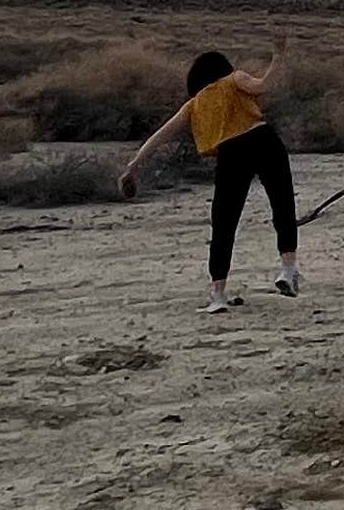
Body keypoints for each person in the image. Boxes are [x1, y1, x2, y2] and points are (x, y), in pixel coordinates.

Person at [122, 48, 297, 313]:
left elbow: (160, 136)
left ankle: (218, 294)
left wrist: (133, 165)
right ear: (222, 67)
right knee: (282, 203)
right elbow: (264, 86)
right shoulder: (234, 79)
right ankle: (288, 269)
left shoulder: (194, 104)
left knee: (224, 221)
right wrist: (278, 56)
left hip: (231, 153)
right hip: (263, 140)